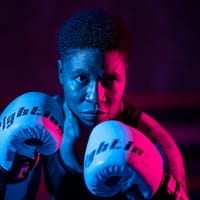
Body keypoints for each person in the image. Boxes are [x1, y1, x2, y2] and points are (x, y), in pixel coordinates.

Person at [0, 9, 189, 199]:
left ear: (125, 74)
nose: (96, 96)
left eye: (109, 80)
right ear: (60, 73)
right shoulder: (37, 123)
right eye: (81, 78)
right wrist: (5, 170)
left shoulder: (156, 144)